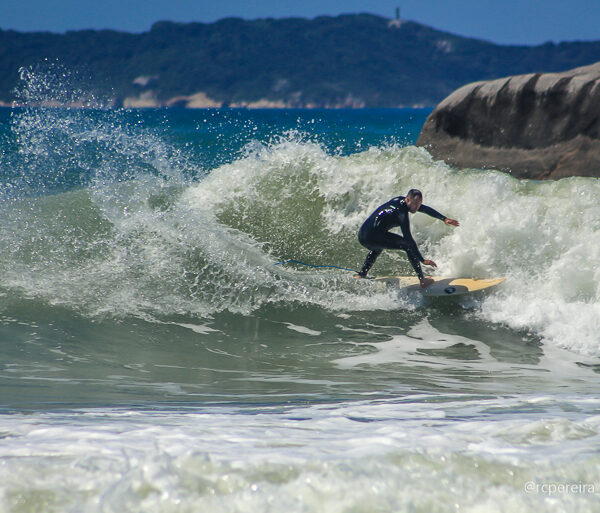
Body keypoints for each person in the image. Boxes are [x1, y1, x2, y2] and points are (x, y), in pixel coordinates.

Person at [356, 189, 459, 287]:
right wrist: (422, 260)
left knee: (378, 247)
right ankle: (422, 280)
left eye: (419, 204)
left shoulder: (399, 200)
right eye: (415, 204)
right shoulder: (402, 213)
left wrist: (444, 218)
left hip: (363, 234)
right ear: (408, 200)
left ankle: (362, 274)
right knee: (407, 246)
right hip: (371, 237)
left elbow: (424, 209)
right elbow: (408, 239)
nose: (416, 207)